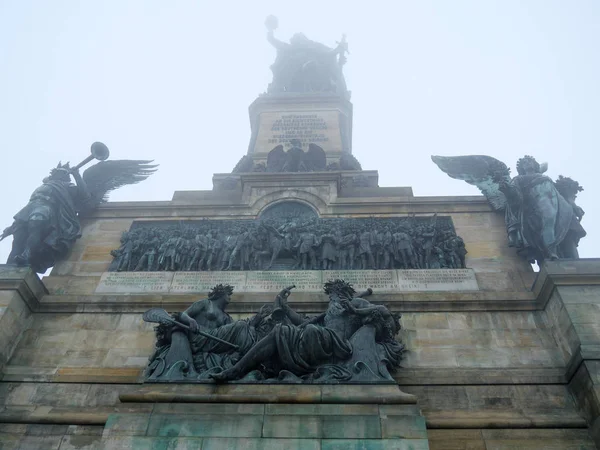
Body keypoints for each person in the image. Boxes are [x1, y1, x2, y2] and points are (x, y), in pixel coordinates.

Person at [4, 163, 92, 272]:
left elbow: (84, 195)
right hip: (31, 206)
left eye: (62, 173)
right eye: (57, 172)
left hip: (46, 207)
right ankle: (10, 264)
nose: (58, 174)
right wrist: (13, 225)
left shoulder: (67, 185)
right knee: (18, 235)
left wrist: (76, 175)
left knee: (35, 225)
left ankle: (26, 255)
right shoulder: (47, 184)